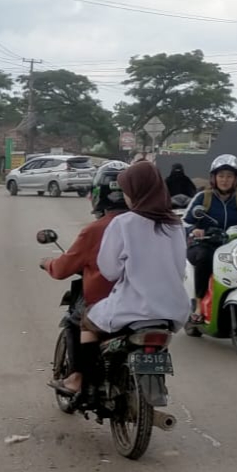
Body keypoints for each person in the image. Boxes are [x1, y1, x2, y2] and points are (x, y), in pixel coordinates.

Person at [42, 162, 129, 395]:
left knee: (74, 320)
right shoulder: (150, 225)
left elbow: (62, 269)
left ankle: (77, 378)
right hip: (150, 303)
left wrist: (47, 263)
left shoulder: (96, 229)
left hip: (108, 303)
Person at [83, 161, 188, 353]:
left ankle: (76, 380)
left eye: (127, 191)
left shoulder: (123, 223)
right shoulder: (176, 225)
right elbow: (181, 268)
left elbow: (110, 271)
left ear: (138, 192)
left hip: (132, 309)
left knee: (87, 320)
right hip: (173, 310)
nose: (125, 196)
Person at [183, 154, 237, 321]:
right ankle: (199, 305)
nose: (225, 180)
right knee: (204, 259)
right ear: (214, 178)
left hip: (233, 246)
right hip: (204, 244)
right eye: (221, 176)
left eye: (229, 176)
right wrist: (194, 230)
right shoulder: (203, 198)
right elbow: (184, 222)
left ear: (236, 179)